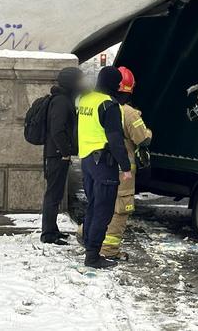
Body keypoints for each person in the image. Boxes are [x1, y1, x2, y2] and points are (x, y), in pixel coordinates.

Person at [77, 66, 132, 269]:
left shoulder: (86, 100)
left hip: (87, 161)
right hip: (104, 163)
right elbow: (116, 140)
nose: (119, 85)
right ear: (112, 83)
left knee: (92, 206)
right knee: (103, 211)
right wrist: (125, 167)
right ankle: (93, 257)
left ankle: (89, 247)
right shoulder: (109, 105)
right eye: (118, 82)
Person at [100, 66, 153, 260]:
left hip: (101, 166)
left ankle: (85, 233)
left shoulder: (102, 105)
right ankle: (109, 250)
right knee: (120, 209)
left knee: (101, 204)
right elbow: (142, 139)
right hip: (124, 170)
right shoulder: (129, 113)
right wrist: (148, 133)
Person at [41, 67, 84, 245]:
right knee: (53, 194)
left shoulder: (63, 100)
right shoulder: (61, 102)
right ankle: (48, 234)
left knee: (56, 194)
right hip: (57, 154)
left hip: (56, 153)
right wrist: (66, 152)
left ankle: (52, 230)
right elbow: (57, 130)